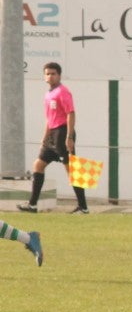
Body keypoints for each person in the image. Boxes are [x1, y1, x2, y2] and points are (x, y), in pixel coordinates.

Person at [18, 62, 90, 214]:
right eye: (48, 73)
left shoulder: (63, 92)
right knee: (38, 165)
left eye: (53, 73)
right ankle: (32, 205)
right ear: (44, 76)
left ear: (59, 75)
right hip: (52, 135)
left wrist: (69, 136)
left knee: (71, 170)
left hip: (63, 133)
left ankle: (83, 207)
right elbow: (49, 119)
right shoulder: (48, 94)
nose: (50, 76)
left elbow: (71, 113)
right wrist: (44, 138)